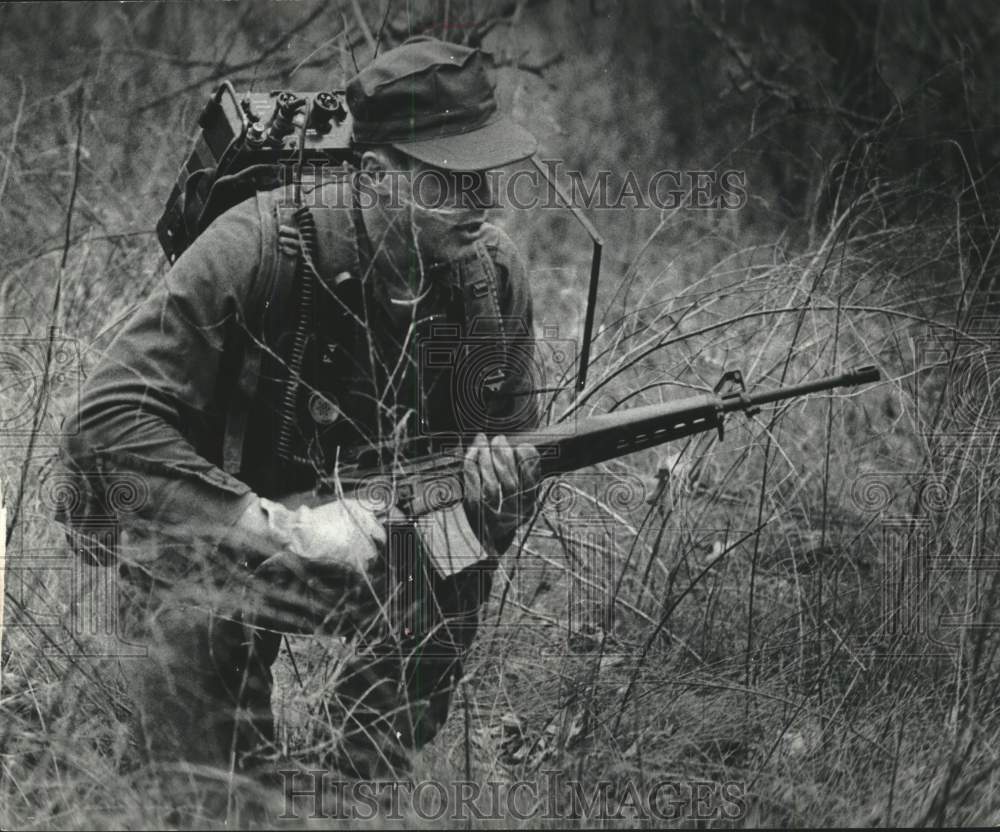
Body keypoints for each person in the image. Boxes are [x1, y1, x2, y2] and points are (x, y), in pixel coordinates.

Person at [58, 35, 542, 796]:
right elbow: (104, 424)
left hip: (374, 551)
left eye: (486, 175)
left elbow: (509, 459)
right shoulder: (255, 245)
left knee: (457, 552)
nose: (481, 203)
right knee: (205, 805)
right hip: (217, 550)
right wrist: (283, 527)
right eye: (453, 181)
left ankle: (350, 782)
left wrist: (500, 498)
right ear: (379, 177)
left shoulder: (492, 281)